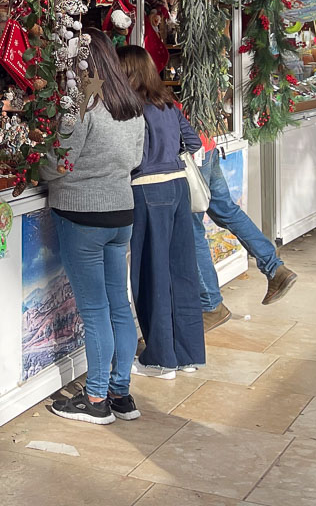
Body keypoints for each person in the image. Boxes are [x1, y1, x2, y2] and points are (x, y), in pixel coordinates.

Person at [40, 32, 147, 426]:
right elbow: (134, 159)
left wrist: (37, 166)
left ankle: (96, 397)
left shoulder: (82, 104)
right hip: (121, 214)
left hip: (82, 215)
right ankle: (121, 393)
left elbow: (59, 163)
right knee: (119, 304)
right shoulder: (130, 104)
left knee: (95, 309)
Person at [116, 45, 206, 379]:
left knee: (151, 274)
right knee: (182, 272)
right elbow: (194, 143)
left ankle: (161, 359)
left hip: (147, 190)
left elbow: (129, 157)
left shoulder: (130, 109)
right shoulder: (168, 104)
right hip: (179, 187)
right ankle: (188, 354)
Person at [192, 130, 296, 329]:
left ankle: (211, 306)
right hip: (205, 144)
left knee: (191, 230)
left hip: (191, 153)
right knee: (227, 211)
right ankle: (275, 268)